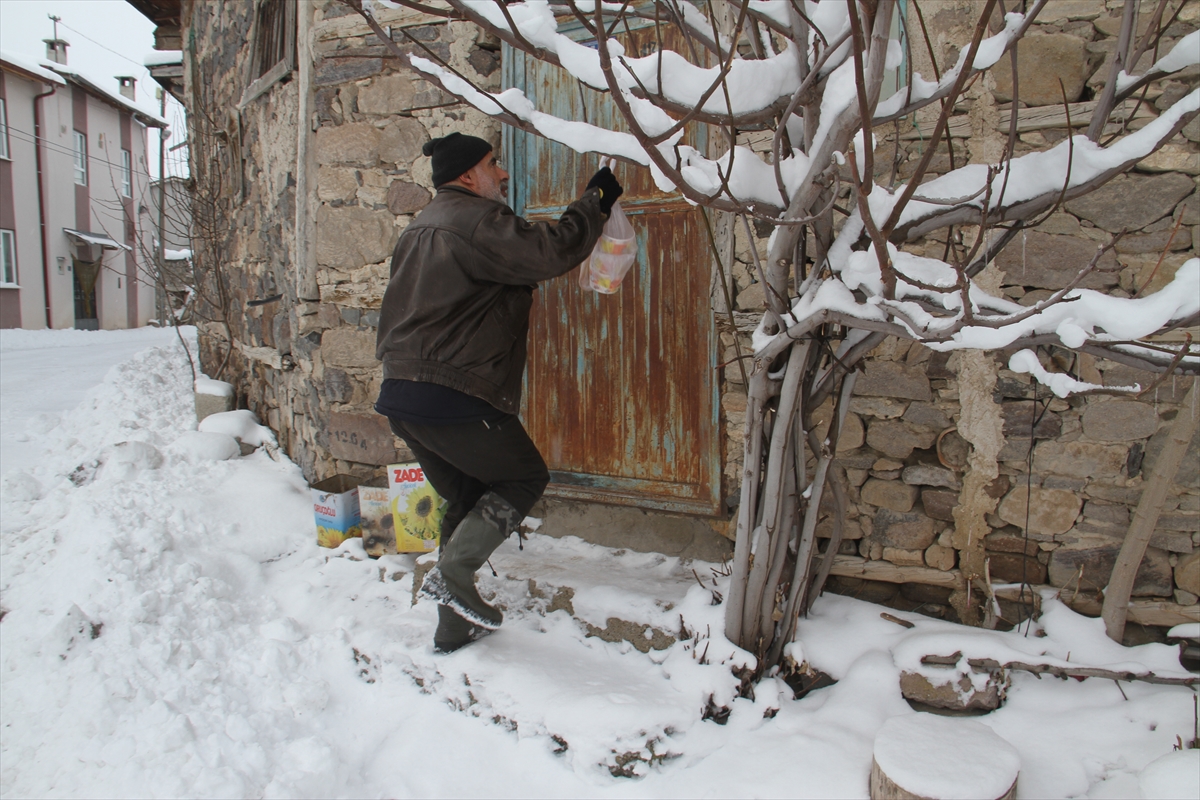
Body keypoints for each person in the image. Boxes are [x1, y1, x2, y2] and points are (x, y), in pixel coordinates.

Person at [375, 132, 623, 653]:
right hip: (454, 394)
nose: (504, 173)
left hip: (403, 396)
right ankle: (453, 574)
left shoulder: (418, 228)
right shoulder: (475, 220)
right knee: (522, 477)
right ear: (468, 176)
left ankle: (453, 626)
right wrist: (596, 200)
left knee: (468, 496)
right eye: (494, 164)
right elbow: (549, 251)